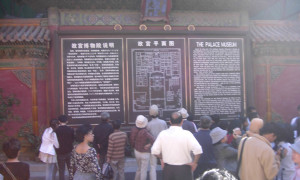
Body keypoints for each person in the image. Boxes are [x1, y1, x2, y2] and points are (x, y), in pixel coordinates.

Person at [151, 111, 203, 180]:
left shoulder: (163, 134)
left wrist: (163, 157)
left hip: (168, 169)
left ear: (170, 121)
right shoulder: (187, 134)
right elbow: (198, 150)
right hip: (184, 169)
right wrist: (195, 163)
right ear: (182, 122)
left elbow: (154, 151)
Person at [146, 104, 168, 180]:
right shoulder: (163, 122)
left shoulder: (148, 124)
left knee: (153, 166)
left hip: (153, 147)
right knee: (165, 165)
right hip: (163, 147)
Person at [130, 115, 155, 180]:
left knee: (139, 168)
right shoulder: (145, 132)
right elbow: (153, 140)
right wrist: (149, 145)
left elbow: (131, 141)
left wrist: (134, 147)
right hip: (145, 153)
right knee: (143, 170)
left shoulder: (133, 130)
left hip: (137, 151)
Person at [55, 115, 74, 180]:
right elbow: (72, 139)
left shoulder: (56, 130)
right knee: (71, 168)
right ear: (67, 121)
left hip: (60, 152)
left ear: (59, 121)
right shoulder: (71, 129)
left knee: (61, 169)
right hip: (69, 151)